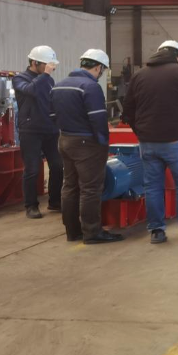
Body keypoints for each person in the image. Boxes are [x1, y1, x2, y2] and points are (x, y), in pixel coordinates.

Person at [123, 40, 178, 246]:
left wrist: (141, 132)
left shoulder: (139, 76)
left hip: (147, 142)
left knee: (152, 187)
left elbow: (128, 110)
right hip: (177, 141)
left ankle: (156, 231)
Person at [51, 49, 124, 245]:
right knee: (90, 189)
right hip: (86, 144)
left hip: (65, 139)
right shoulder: (90, 87)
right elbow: (98, 118)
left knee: (70, 186)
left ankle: (72, 231)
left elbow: (52, 115)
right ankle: (92, 232)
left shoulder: (59, 85)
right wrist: (103, 142)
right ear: (98, 67)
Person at [13, 45, 63, 219]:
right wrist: (45, 75)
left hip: (50, 129)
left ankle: (55, 201)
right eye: (47, 65)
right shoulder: (20, 79)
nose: (51, 68)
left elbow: (51, 101)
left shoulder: (47, 79)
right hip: (31, 131)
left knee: (58, 166)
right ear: (35, 63)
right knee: (32, 169)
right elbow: (31, 90)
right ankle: (31, 205)